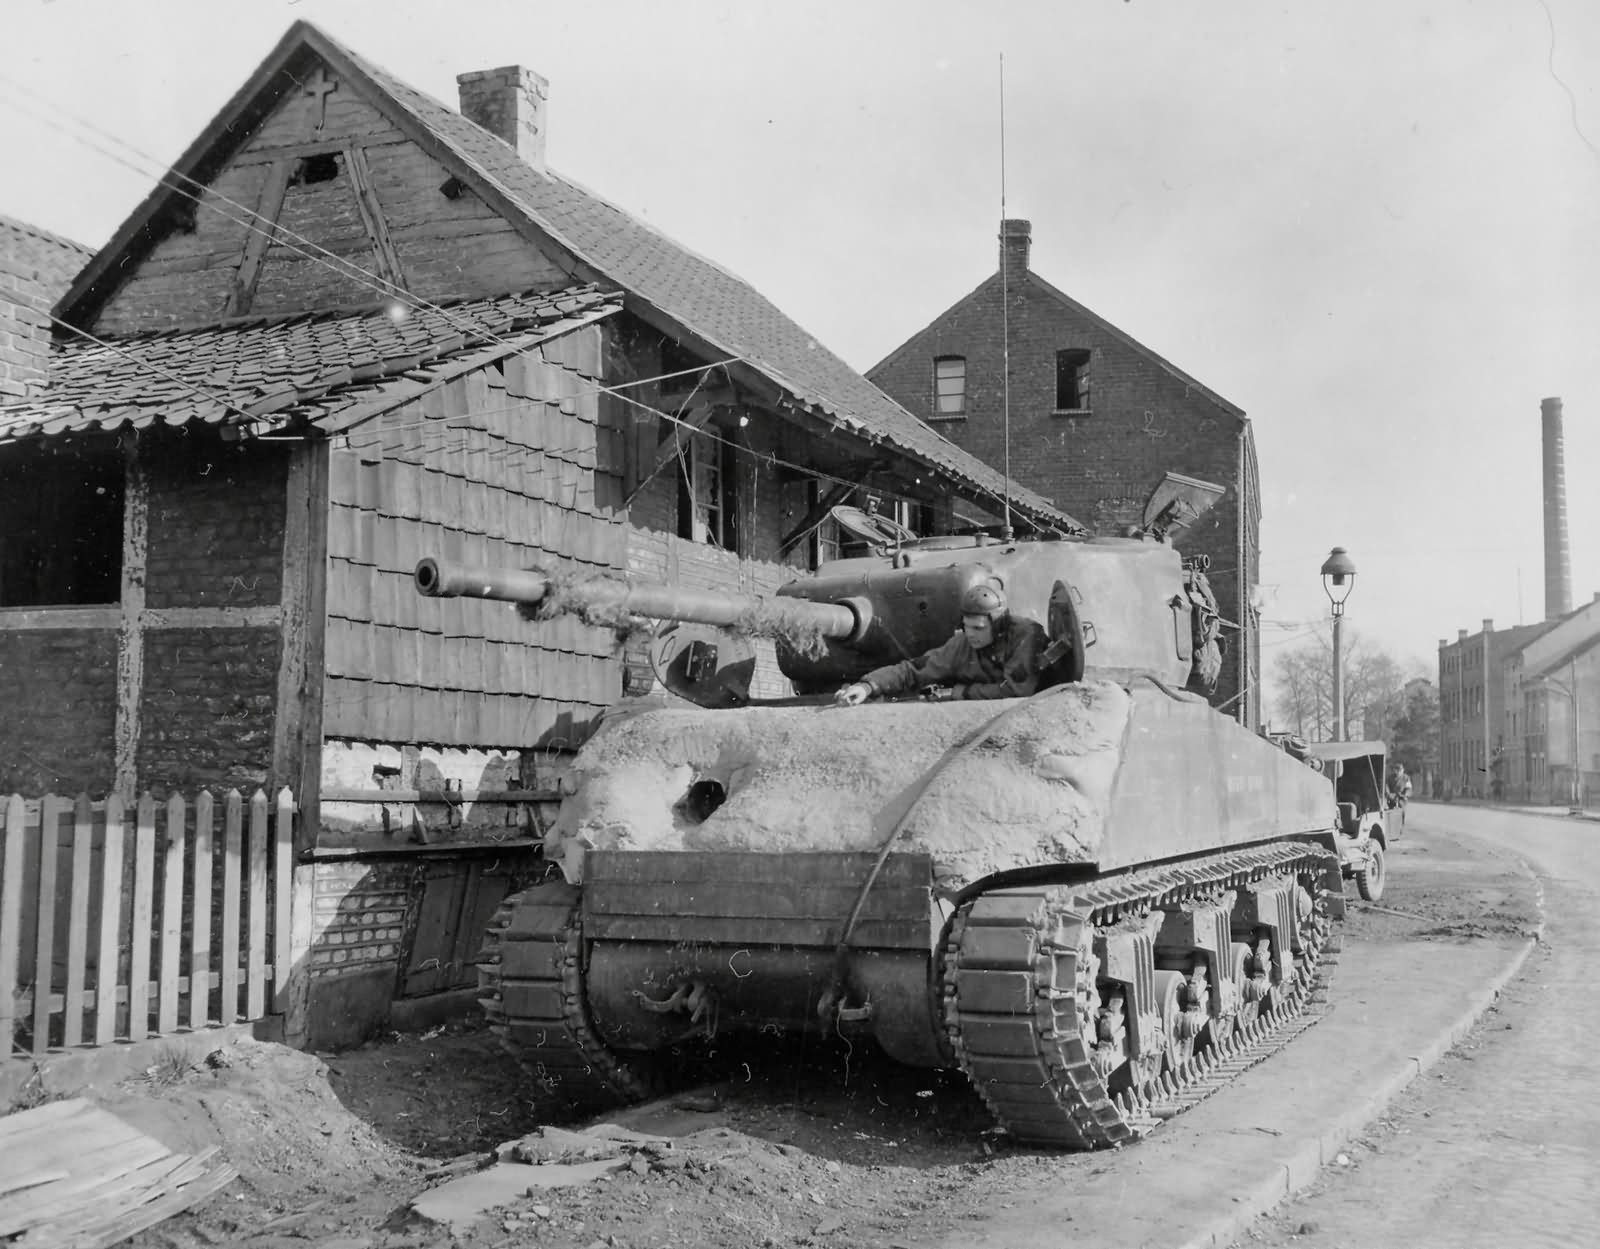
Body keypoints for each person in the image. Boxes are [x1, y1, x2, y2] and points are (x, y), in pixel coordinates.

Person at [834, 583, 1047, 705]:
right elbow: (913, 670)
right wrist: (866, 686)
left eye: (978, 628)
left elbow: (1016, 690)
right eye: (966, 627)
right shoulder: (961, 645)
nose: (971, 634)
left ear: (998, 625)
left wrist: (959, 693)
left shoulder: (1025, 635)